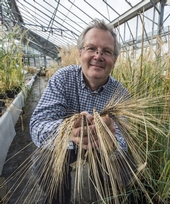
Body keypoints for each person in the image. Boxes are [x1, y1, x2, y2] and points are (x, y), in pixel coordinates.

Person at [30, 18, 128, 204]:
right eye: (91, 48)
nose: (98, 56)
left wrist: (112, 142)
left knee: (123, 168)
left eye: (106, 51)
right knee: (46, 161)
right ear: (80, 53)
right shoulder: (62, 79)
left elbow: (125, 142)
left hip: (102, 151)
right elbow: (38, 125)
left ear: (114, 60)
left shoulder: (120, 94)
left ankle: (106, 197)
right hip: (65, 145)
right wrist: (68, 130)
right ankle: (58, 199)